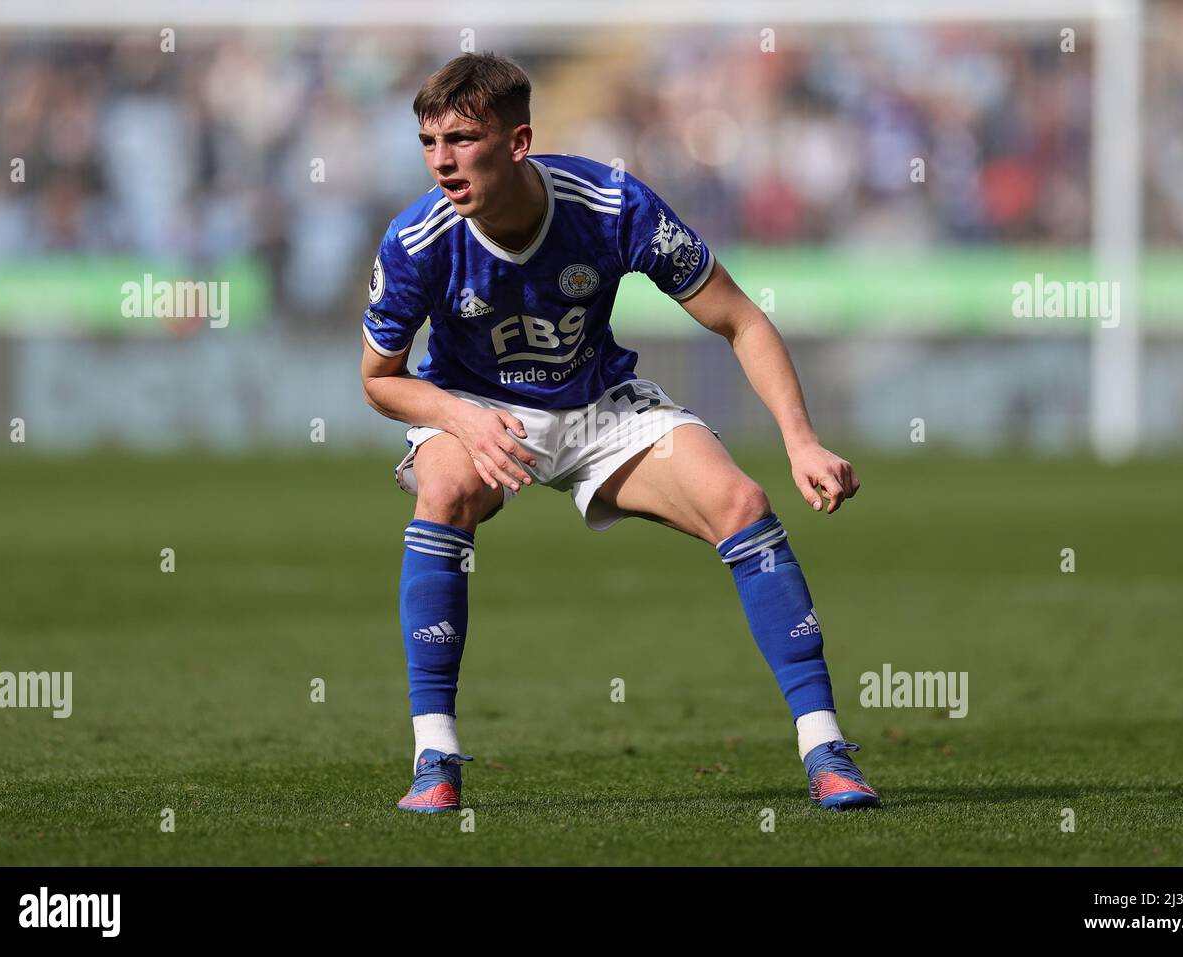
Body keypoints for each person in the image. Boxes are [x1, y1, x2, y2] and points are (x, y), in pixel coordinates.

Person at [360, 52, 881, 814]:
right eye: (430, 143)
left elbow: (738, 317)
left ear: (518, 141)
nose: (443, 162)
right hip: (475, 406)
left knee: (740, 502)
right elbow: (380, 379)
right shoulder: (418, 241)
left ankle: (826, 750)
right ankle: (434, 756)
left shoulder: (609, 204)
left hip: (602, 407)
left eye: (463, 140)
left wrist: (801, 439)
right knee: (444, 488)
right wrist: (459, 417)